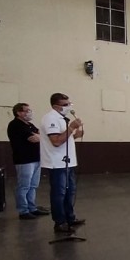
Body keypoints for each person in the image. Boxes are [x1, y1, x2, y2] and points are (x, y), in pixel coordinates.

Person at [40, 93, 85, 234]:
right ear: (56, 106)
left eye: (69, 104)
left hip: (68, 162)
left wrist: (77, 133)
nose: (68, 107)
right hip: (57, 163)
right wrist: (71, 128)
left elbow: (68, 138)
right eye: (65, 105)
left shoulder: (63, 119)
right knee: (59, 193)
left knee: (70, 191)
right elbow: (56, 141)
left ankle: (70, 218)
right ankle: (59, 222)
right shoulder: (50, 118)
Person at [6, 102, 49, 220]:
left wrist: (39, 136)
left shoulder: (29, 124)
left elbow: (39, 134)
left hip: (36, 158)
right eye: (26, 110)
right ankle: (23, 210)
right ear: (19, 112)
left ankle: (32, 207)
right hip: (24, 160)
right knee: (24, 186)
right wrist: (40, 137)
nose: (29, 112)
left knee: (33, 185)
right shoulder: (15, 125)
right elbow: (34, 138)